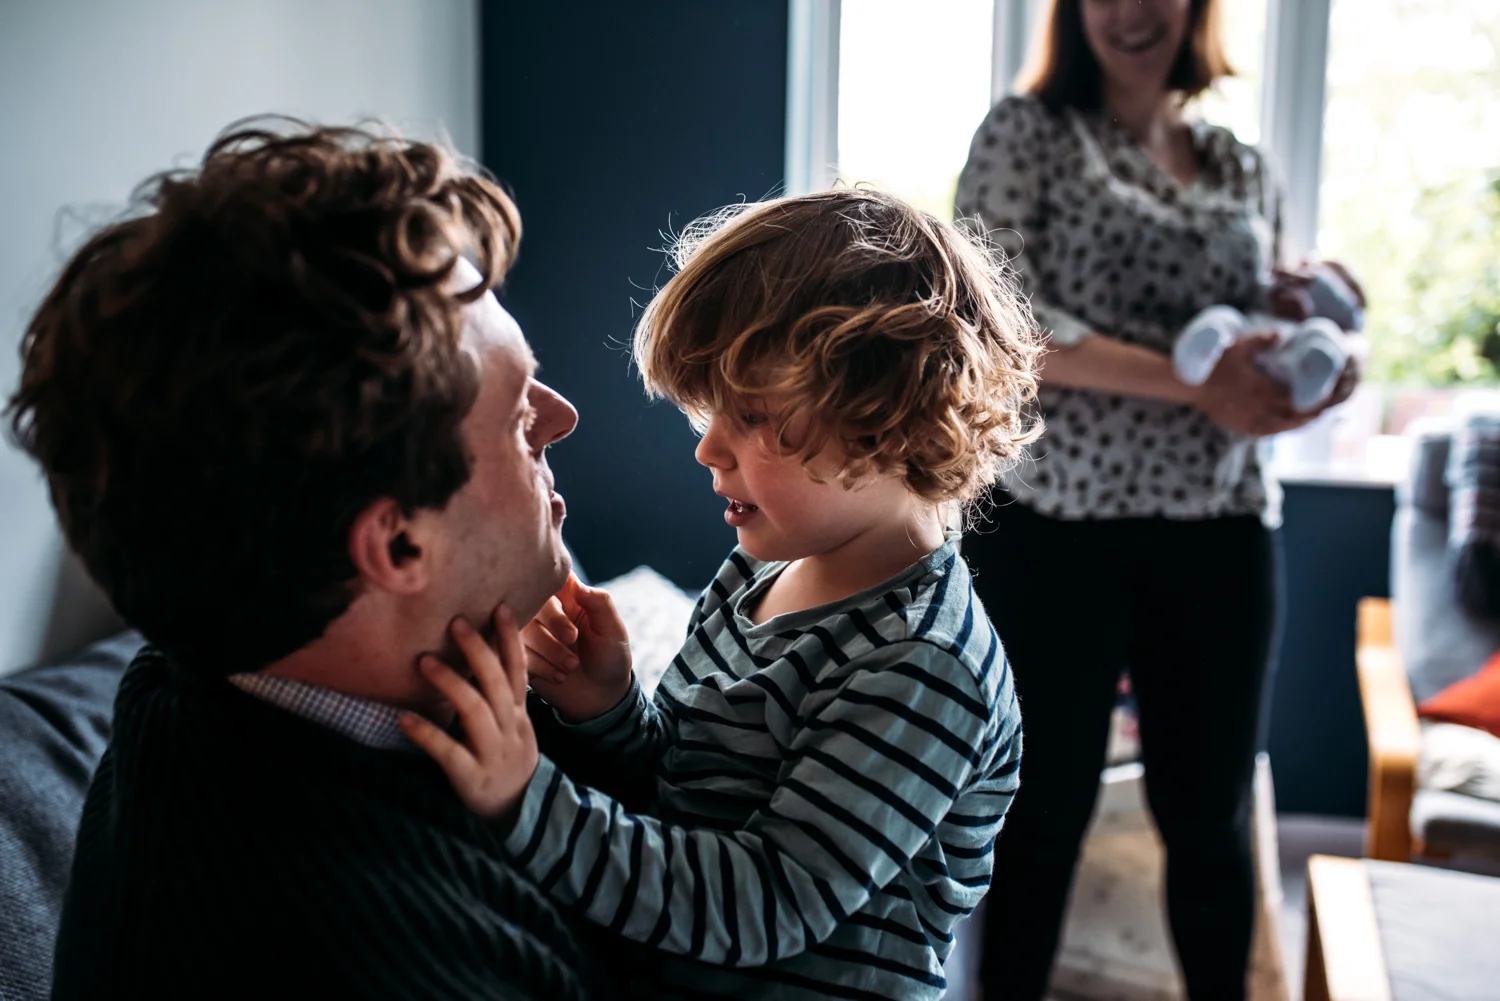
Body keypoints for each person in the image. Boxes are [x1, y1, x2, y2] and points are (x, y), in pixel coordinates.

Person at [398, 189, 1037, 1000]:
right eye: (707, 411)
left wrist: (530, 801)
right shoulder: (758, 575)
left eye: (752, 417)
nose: (707, 447)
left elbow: (762, 902)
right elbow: (690, 794)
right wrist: (611, 710)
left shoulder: (925, 666)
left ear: (890, 423)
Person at [7, 120, 596, 999]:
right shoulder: (371, 954)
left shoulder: (199, 670)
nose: (562, 418)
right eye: (515, 416)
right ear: (399, 543)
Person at [952, 1, 1362, 998]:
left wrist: (1320, 345)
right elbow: (999, 319)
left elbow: (1253, 324)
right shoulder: (1027, 135)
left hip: (1219, 526)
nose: (1131, 11)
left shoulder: (1239, 163)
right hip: (1056, 529)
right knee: (1040, 812)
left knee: (1210, 813)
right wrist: (1198, 383)